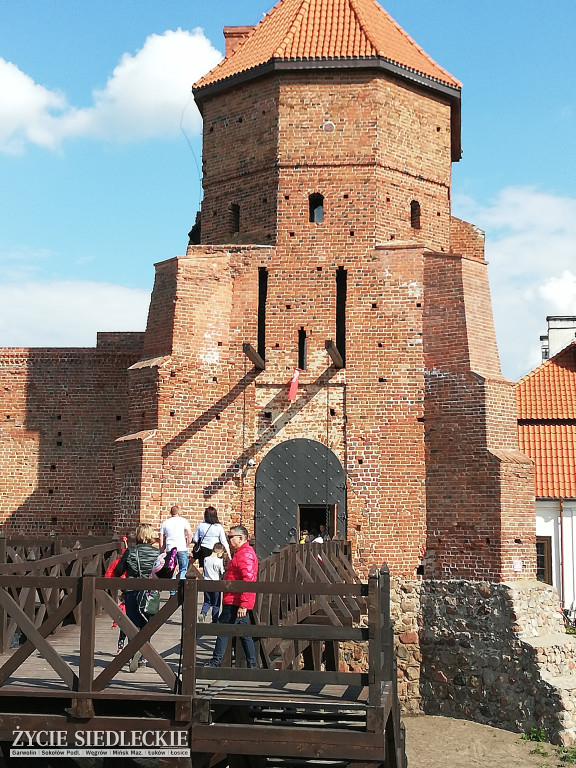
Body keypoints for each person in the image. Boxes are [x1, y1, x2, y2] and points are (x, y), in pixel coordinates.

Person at [204, 525, 258, 668]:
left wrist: (243, 604)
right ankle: (252, 664)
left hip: (235, 600)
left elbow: (249, 580)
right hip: (235, 599)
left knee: (222, 629)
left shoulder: (245, 554)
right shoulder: (241, 553)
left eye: (230, 537)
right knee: (244, 633)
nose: (228, 539)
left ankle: (216, 662)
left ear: (240, 538)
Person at [113, 523, 159, 671]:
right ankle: (144, 656)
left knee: (133, 625)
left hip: (132, 591)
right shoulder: (156, 553)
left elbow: (119, 570)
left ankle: (133, 654)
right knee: (147, 625)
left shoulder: (131, 551)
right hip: (149, 593)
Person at [159, 505, 192, 582]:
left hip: (170, 548)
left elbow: (161, 538)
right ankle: (182, 589)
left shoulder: (165, 522)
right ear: (179, 512)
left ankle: (172, 591)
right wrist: (187, 544)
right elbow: (190, 534)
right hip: (182, 548)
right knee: (183, 569)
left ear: (171, 513)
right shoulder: (184, 521)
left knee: (171, 569)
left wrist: (161, 550)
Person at [200, 542, 226, 623]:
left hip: (206, 583)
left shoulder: (206, 559)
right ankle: (214, 621)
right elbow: (222, 572)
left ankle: (203, 613)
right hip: (216, 584)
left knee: (207, 602)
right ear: (220, 552)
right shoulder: (219, 561)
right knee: (216, 604)